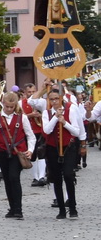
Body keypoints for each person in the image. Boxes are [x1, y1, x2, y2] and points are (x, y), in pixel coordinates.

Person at [0, 91, 36, 220]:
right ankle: (12, 208)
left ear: (15, 106)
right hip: (1, 152)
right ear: (3, 104)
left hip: (18, 153)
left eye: (11, 107)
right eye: (6, 106)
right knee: (7, 179)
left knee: (14, 177)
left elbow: (31, 136)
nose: (8, 109)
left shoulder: (22, 118)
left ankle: (18, 209)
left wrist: (30, 150)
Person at [41, 83, 84, 219]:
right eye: (51, 99)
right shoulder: (46, 113)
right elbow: (46, 131)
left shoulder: (71, 109)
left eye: (56, 99)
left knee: (68, 175)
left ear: (62, 98)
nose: (54, 102)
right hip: (52, 148)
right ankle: (60, 208)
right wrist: (55, 117)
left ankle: (72, 206)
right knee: (56, 178)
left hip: (68, 148)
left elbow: (77, 131)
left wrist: (64, 122)